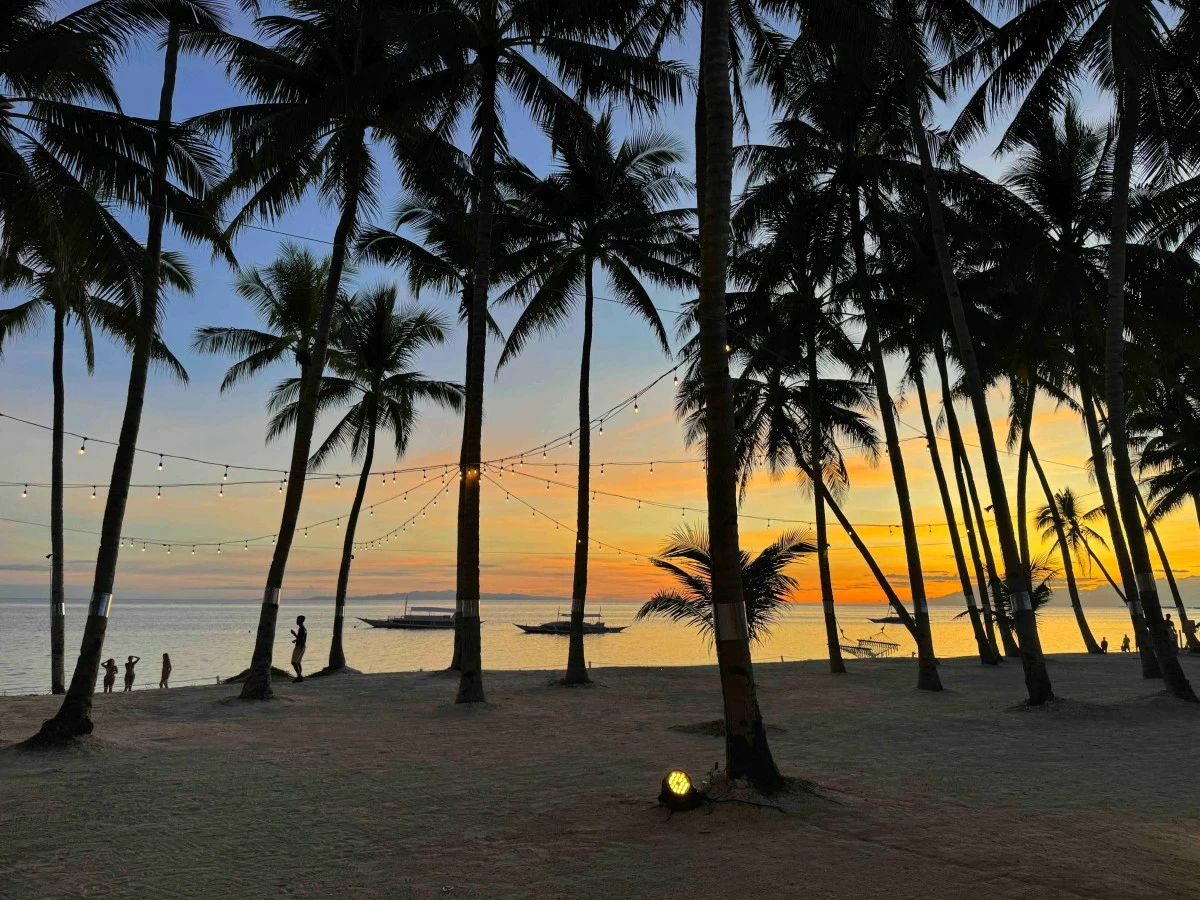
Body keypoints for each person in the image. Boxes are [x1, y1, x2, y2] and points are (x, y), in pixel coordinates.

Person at [290, 615, 307, 683]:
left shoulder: (302, 629)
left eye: (298, 620)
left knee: (294, 662)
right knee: (298, 662)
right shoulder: (303, 629)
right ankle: (299, 676)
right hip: (302, 646)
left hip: (299, 647)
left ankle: (299, 676)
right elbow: (301, 638)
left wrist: (295, 636)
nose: (296, 621)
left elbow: (302, 639)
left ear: (301, 621)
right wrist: (295, 638)